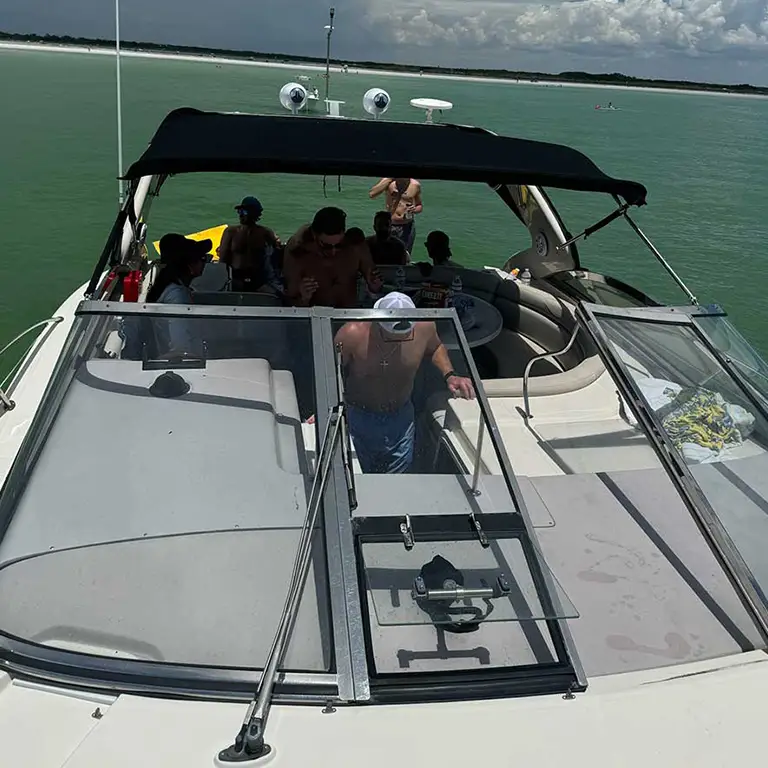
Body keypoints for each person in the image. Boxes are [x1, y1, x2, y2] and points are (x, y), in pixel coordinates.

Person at [336, 292, 474, 474]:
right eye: (391, 333)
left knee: (398, 482)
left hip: (401, 419)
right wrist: (326, 406)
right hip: (358, 418)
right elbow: (331, 370)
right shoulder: (351, 334)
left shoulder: (424, 327)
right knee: (357, 479)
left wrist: (450, 374)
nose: (398, 338)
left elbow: (435, 347)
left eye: (405, 333)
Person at [283, 206, 381, 308]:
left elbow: (374, 287)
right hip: (316, 317)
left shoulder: (355, 246)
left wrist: (374, 286)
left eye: (338, 245)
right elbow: (290, 302)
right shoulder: (299, 252)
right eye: (326, 246)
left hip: (349, 315)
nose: (333, 252)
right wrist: (304, 298)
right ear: (314, 235)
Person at [218, 196, 282, 293]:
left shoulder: (265, 233)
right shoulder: (230, 232)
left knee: (278, 297)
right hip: (236, 278)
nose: (241, 215)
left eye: (244, 212)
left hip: (258, 280)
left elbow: (277, 253)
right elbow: (223, 260)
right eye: (239, 212)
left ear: (254, 214)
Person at [368, 177, 422, 253]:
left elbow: (419, 205)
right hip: (390, 225)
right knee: (386, 252)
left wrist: (415, 209)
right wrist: (389, 179)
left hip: (407, 225)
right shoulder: (388, 181)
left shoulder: (415, 185)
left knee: (405, 254)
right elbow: (372, 194)